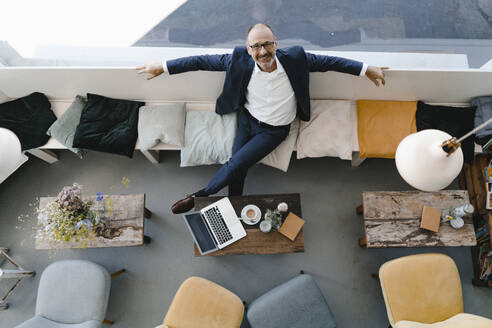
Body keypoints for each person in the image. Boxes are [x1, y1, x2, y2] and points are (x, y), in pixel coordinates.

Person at [136, 23, 387, 214]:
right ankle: (235, 204)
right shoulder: (238, 59)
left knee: (235, 164)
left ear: (276, 44)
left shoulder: (296, 58)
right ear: (249, 49)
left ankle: (199, 196)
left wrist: (366, 69)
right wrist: (163, 67)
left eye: (267, 44)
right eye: (256, 46)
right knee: (238, 165)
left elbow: (331, 61)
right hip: (247, 120)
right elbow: (200, 60)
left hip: (274, 131)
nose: (262, 51)